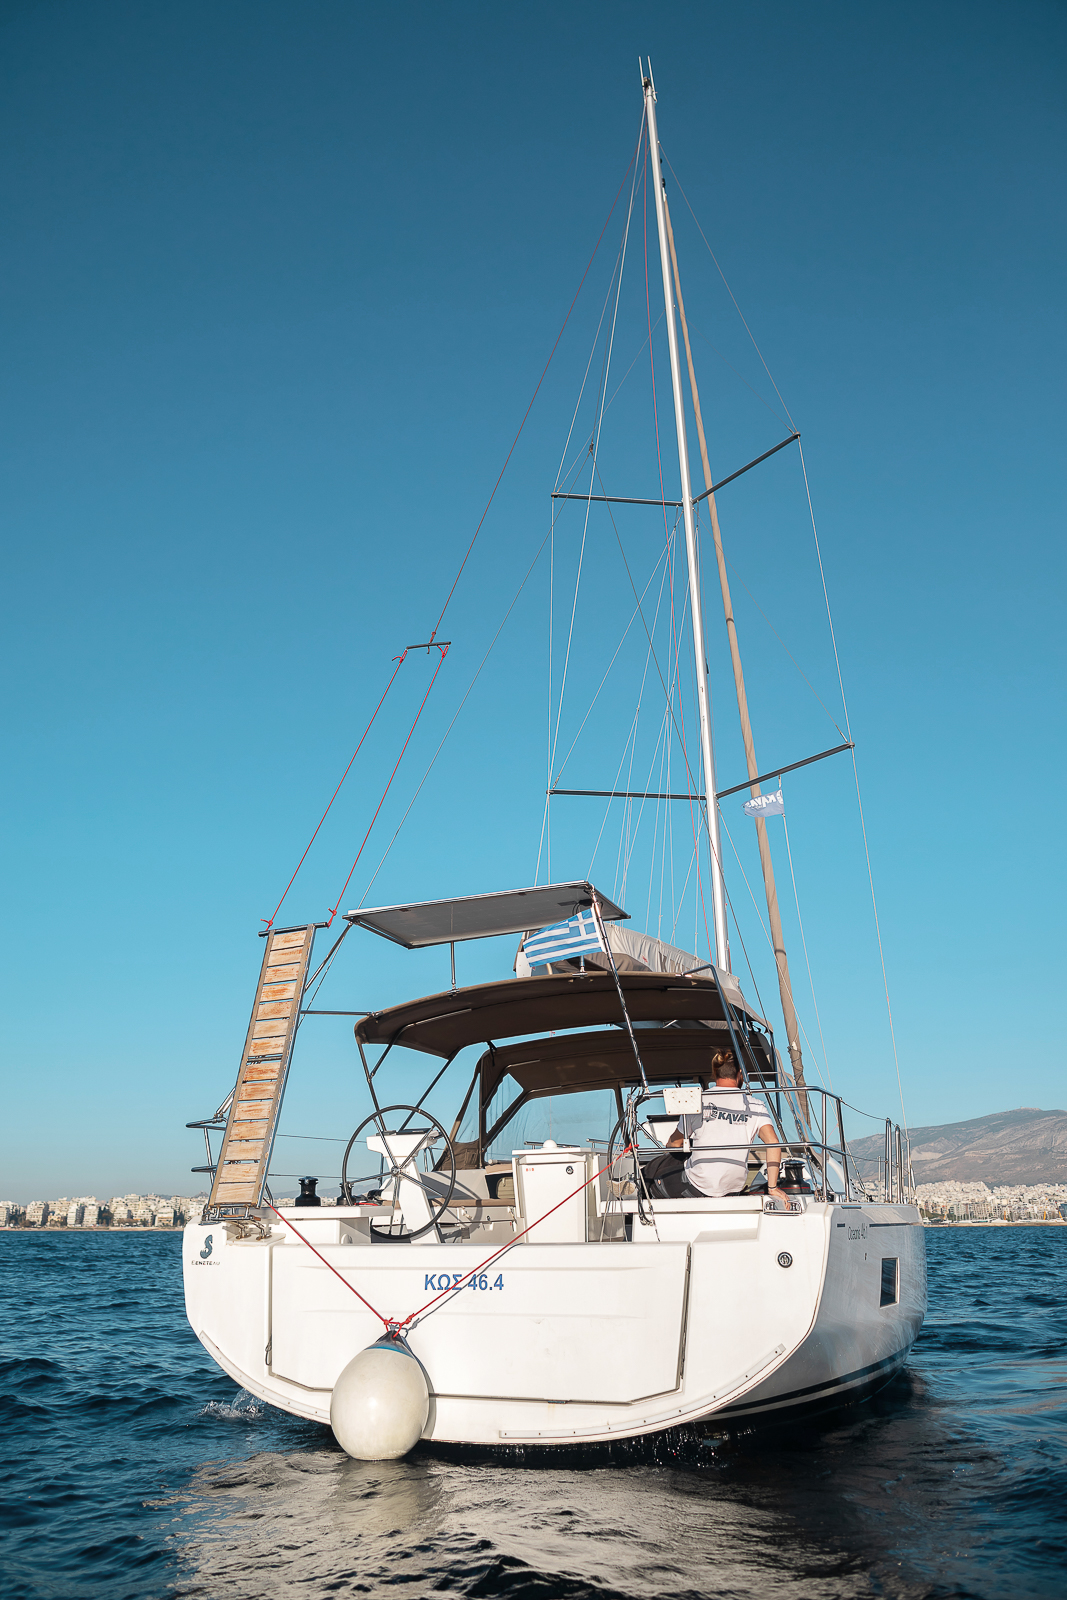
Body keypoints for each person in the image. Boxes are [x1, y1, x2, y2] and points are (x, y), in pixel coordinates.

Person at [641, 1051, 790, 1203]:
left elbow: (674, 1144)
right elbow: (773, 1142)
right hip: (733, 1189)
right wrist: (772, 1187)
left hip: (697, 1187)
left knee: (653, 1171)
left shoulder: (698, 1101)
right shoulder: (756, 1106)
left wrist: (672, 1146)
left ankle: (638, 1189)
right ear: (740, 1073)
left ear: (714, 1073)